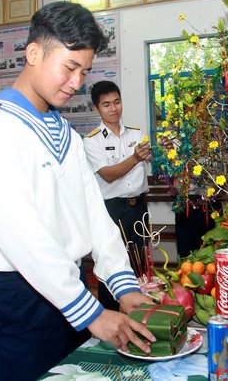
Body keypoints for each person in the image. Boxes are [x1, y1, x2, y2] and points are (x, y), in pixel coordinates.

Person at [0, 1, 154, 381]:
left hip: (69, 290)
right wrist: (90, 311)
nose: (76, 83)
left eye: (85, 71)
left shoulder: (67, 136)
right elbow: (20, 234)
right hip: (21, 299)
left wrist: (123, 284)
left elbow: (95, 215)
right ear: (33, 53)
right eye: (70, 67)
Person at [83, 80, 151, 310]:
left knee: (141, 263)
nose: (114, 109)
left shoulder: (136, 133)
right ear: (96, 108)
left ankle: (141, 313)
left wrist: (162, 150)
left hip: (139, 207)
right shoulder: (91, 141)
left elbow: (152, 160)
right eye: (106, 104)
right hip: (112, 210)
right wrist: (135, 158)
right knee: (112, 263)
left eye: (117, 102)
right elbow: (109, 175)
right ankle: (111, 313)